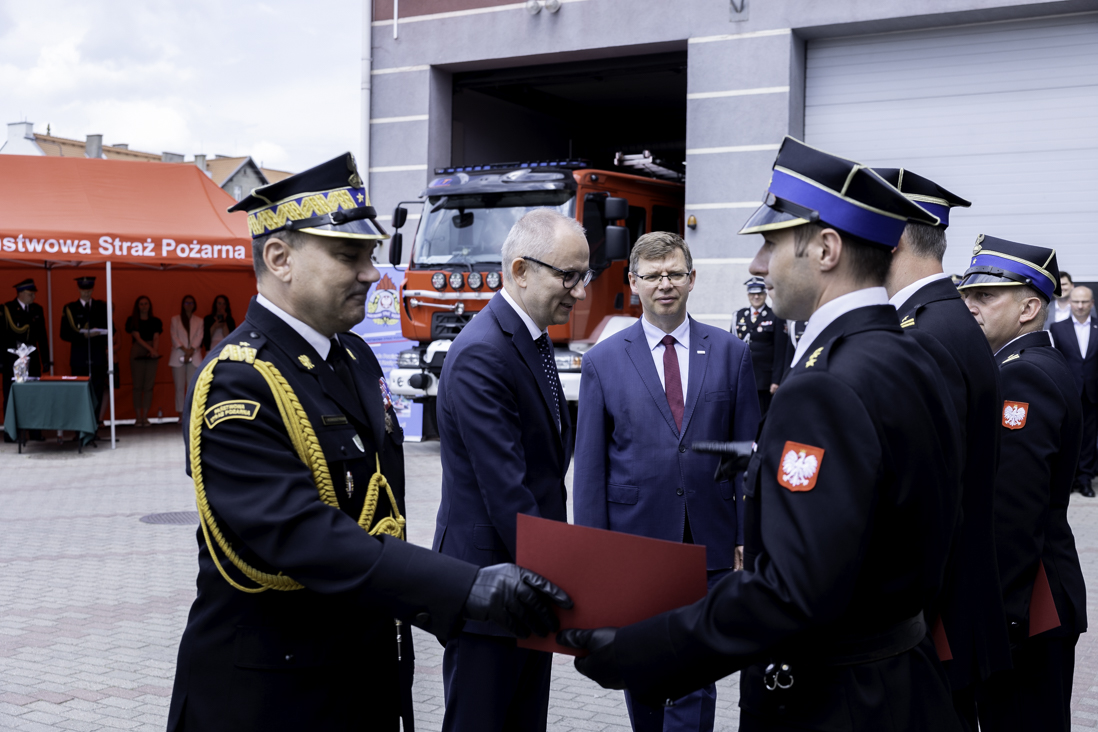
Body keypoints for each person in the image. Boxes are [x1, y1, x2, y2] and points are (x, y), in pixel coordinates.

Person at [560, 137, 965, 731]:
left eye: (772, 243)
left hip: (837, 701)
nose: (757, 265)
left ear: (826, 248)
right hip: (903, 682)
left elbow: (789, 593)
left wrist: (643, 650)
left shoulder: (823, 384)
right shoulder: (913, 356)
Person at [166, 153, 571, 732]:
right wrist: (464, 587)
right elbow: (301, 534)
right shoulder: (238, 380)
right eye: (347, 255)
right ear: (279, 259)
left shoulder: (353, 356)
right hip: (272, 694)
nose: (372, 274)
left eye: (371, 255)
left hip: (361, 676)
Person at [573, 231, 759, 732]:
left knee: (695, 674)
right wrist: (593, 554)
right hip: (635, 545)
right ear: (633, 283)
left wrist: (746, 534)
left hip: (709, 545)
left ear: (692, 279)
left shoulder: (731, 353)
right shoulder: (602, 361)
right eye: (653, 276)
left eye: (675, 273)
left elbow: (746, 455)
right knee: (643, 668)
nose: (665, 284)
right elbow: (589, 468)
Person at [432, 207, 587, 731]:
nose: (580, 291)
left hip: (526, 587)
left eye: (583, 275)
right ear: (520, 270)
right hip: (490, 591)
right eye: (569, 276)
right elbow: (507, 490)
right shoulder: (484, 352)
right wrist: (570, 586)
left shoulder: (529, 341)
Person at [875, 166, 1011, 726]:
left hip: (936, 613)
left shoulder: (923, 334)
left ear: (891, 238)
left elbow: (926, 498)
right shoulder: (945, 320)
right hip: (955, 600)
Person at [956, 236, 1087, 731]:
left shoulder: (1022, 376)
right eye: (968, 295)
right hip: (1030, 601)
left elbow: (1012, 513)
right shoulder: (1020, 366)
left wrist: (1000, 622)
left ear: (1029, 308)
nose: (970, 305)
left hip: (1029, 608)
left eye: (986, 296)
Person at [1050, 285, 1098, 497]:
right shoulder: (1057, 328)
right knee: (1067, 436)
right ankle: (1067, 480)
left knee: (1089, 438)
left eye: (1084, 301)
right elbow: (1056, 360)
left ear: (1092, 303)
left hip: (1092, 393)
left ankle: (1085, 480)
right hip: (1068, 392)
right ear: (1069, 302)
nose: (1080, 305)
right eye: (1076, 301)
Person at [2, 278, 51, 442]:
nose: (34, 297)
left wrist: (45, 359)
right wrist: (1, 361)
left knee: (34, 395)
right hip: (12, 360)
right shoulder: (7, 309)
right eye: (31, 294)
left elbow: (42, 336)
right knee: (12, 396)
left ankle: (35, 432)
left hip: (32, 360)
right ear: (21, 293)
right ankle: (11, 433)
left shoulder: (37, 309)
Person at [59, 276, 110, 423]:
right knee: (79, 392)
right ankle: (80, 427)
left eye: (89, 290)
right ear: (78, 289)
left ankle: (94, 425)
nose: (86, 293)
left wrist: (99, 332)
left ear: (93, 289)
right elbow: (64, 334)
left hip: (97, 356)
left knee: (97, 392)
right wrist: (83, 336)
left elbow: (111, 329)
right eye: (83, 290)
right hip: (80, 358)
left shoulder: (101, 307)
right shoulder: (70, 308)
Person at [732, 277, 785, 414]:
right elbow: (731, 348)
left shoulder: (775, 316)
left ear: (765, 294)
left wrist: (776, 380)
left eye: (759, 293)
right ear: (748, 295)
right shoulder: (739, 315)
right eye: (752, 293)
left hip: (765, 380)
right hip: (743, 376)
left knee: (762, 415)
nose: (756, 297)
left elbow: (780, 351)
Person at [124, 295, 162, 427]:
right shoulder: (132, 320)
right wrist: (151, 350)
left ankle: (145, 417)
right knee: (137, 386)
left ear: (149, 305)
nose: (144, 306)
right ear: (137, 306)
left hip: (152, 350)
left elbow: (156, 337)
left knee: (149, 386)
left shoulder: (156, 321)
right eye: (141, 304)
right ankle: (138, 417)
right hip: (138, 349)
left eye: (146, 303)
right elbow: (137, 338)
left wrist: (154, 351)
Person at [170, 294, 203, 414]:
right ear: (183, 305)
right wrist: (185, 349)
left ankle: (191, 414)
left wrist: (191, 350)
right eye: (186, 303)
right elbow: (174, 336)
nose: (189, 305)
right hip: (178, 354)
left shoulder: (199, 320)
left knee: (192, 386)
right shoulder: (175, 319)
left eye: (191, 303)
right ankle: (180, 413)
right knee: (179, 387)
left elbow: (200, 336)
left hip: (194, 355)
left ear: (194, 305)